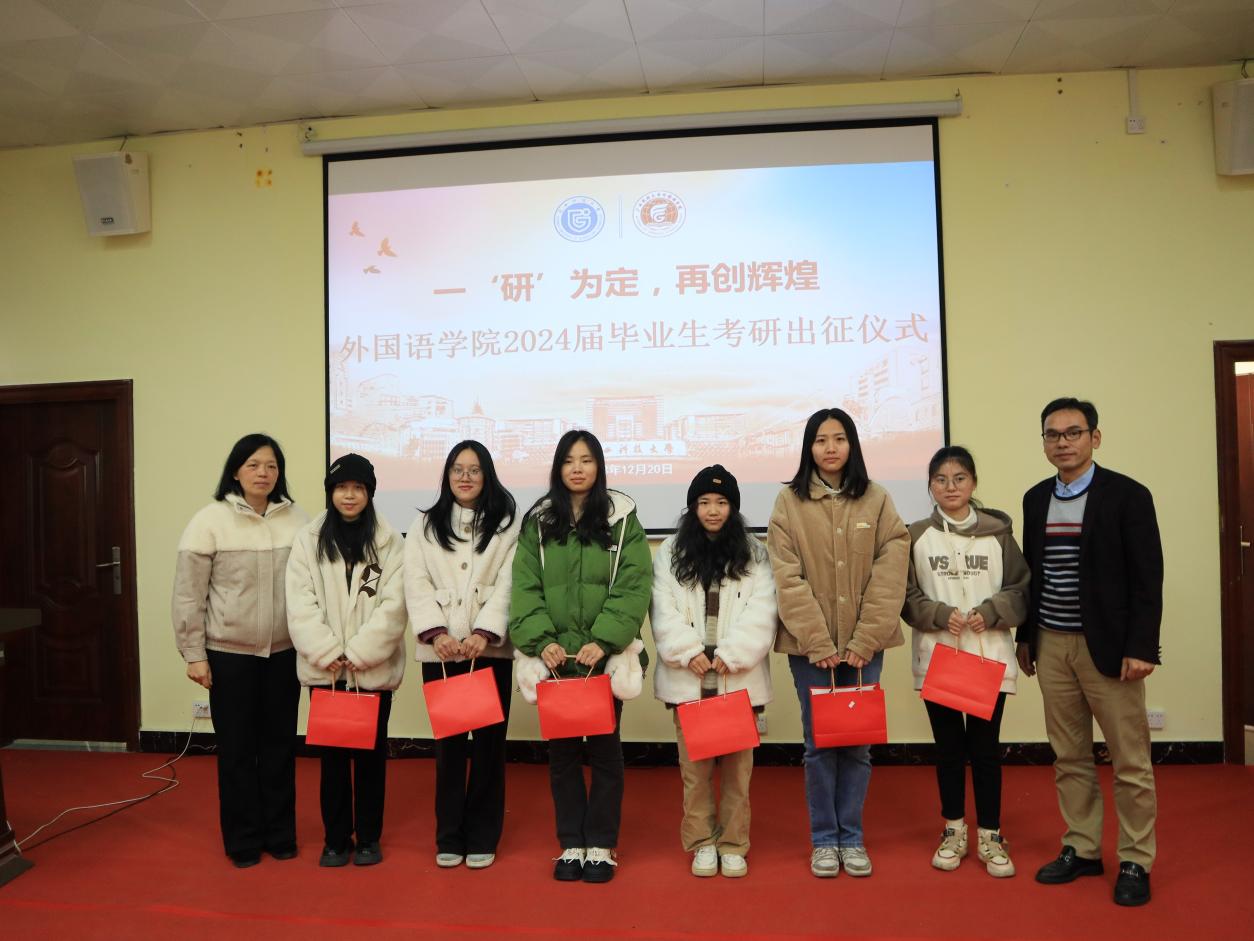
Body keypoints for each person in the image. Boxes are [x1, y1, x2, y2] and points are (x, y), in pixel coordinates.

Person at [1016, 397, 1163, 907]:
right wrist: (1026, 637)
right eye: (1052, 434)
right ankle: (1082, 848)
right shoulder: (1036, 498)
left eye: (1073, 433)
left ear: (1094, 438)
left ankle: (1135, 859)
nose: (1063, 442)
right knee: (1069, 755)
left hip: (1111, 648)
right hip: (1052, 643)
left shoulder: (1128, 495)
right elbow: (1033, 574)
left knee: (1130, 761)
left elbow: (1148, 578)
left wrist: (1142, 646)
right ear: (1044, 442)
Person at [767, 407, 909, 879]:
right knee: (819, 745)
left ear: (852, 445)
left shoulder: (877, 499)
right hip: (811, 650)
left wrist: (866, 638)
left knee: (858, 746)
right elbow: (786, 578)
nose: (830, 448)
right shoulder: (788, 503)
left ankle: (852, 837)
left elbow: (891, 573)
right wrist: (817, 640)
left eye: (839, 438)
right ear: (808, 447)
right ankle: (825, 840)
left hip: (866, 647)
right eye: (821, 440)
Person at [509, 430, 652, 884]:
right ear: (558, 468)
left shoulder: (622, 520)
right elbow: (524, 587)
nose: (577, 468)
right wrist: (541, 641)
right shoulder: (538, 522)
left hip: (602, 661)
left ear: (599, 466)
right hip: (556, 662)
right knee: (563, 758)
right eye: (569, 460)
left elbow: (633, 586)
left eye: (586, 460)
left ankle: (602, 845)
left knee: (606, 755)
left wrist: (604, 641)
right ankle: (572, 842)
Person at [171, 433, 308, 868]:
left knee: (280, 747)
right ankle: (243, 839)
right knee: (236, 751)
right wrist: (194, 653)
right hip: (229, 655)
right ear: (235, 471)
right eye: (253, 465)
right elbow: (188, 595)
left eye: (271, 466)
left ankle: (280, 834)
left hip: (284, 654)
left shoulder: (298, 520)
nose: (263, 473)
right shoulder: (209, 521)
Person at [902, 446, 1029, 877]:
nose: (950, 487)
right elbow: (905, 595)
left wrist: (991, 611)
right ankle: (953, 829)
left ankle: (991, 834)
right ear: (930, 487)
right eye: (940, 479)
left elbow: (1021, 589)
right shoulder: (916, 535)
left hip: (988, 658)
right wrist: (939, 614)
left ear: (973, 483)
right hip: (938, 657)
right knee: (949, 749)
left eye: (959, 478)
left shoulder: (999, 533)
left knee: (986, 750)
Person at [649, 465, 776, 879]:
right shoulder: (671, 551)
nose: (713, 510)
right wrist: (687, 652)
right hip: (689, 680)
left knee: (738, 775)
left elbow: (764, 608)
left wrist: (734, 654)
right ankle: (702, 842)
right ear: (692, 507)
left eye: (721, 503)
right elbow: (661, 608)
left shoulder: (755, 552)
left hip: (737, 681)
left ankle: (734, 844)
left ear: (733, 508)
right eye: (704, 502)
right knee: (695, 774)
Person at [286, 453, 408, 867]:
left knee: (371, 760)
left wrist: (358, 652)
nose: (349, 495)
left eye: (358, 488)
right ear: (331, 492)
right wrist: (328, 652)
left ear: (369, 493)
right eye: (341, 487)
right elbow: (299, 602)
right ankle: (335, 840)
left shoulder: (389, 542)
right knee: (333, 763)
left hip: (370, 670)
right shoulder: (308, 540)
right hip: (326, 671)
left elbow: (394, 605)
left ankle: (369, 838)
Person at [406, 440, 520, 871]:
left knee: (489, 749)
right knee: (449, 748)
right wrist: (436, 634)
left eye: (474, 469)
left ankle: (484, 834)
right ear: (447, 475)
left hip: (488, 652)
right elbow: (415, 582)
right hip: (442, 653)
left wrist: (484, 632)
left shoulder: (507, 524)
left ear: (487, 475)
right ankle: (449, 835)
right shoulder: (424, 524)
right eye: (457, 469)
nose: (465, 477)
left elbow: (510, 582)